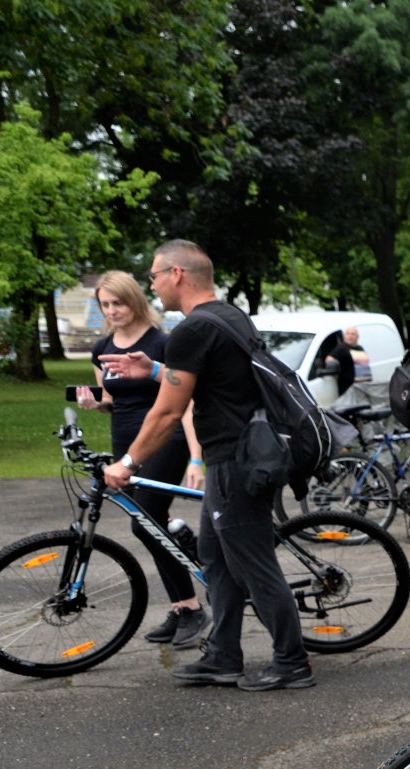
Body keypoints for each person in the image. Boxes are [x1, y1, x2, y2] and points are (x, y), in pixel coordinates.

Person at [100, 239, 315, 692]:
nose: (153, 285)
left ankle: (291, 661)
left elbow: (166, 413)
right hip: (242, 457)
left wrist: (128, 463)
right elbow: (216, 381)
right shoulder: (229, 316)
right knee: (216, 559)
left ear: (176, 274)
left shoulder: (192, 330)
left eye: (155, 275)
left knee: (254, 565)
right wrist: (153, 370)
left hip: (234, 463)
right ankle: (222, 656)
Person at [83, 270, 208, 648]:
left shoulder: (161, 343)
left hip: (165, 439)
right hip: (125, 442)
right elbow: (110, 399)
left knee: (146, 523)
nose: (111, 310)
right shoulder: (101, 347)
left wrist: (196, 458)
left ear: (134, 301)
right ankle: (181, 602)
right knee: (151, 524)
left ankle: (191, 608)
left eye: (118, 302)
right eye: (105, 304)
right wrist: (93, 402)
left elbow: (186, 403)